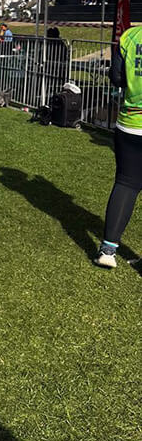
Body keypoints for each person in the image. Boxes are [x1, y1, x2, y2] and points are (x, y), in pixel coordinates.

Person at [95, 27, 142, 267]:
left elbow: (116, 77)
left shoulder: (131, 36)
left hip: (131, 123)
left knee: (126, 183)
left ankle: (108, 250)